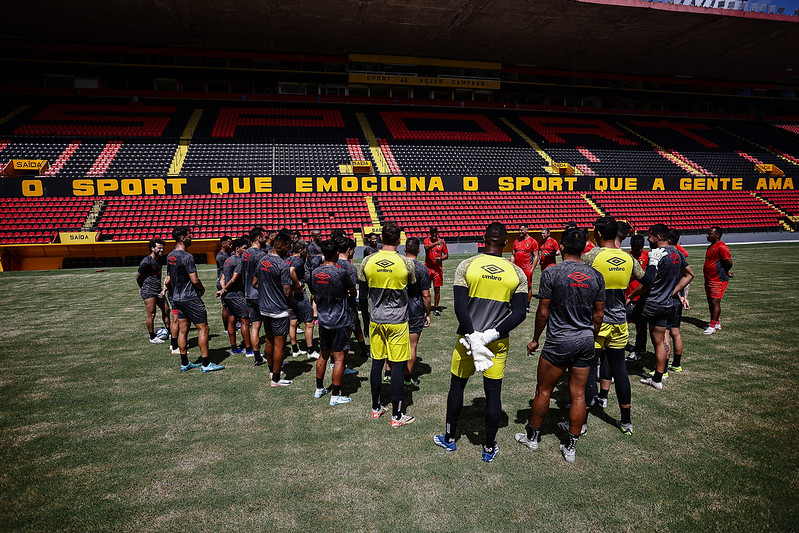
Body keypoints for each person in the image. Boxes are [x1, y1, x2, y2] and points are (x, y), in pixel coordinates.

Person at [433, 222, 528, 462]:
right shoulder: (516, 272)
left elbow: (459, 306)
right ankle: (488, 447)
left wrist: (474, 336)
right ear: (506, 242)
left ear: (483, 239)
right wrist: (488, 336)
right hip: (497, 342)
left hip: (466, 339)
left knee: (457, 386)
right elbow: (519, 314)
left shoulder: (467, 265)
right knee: (493, 393)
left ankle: (449, 438)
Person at [517, 228, 604, 463]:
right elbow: (598, 315)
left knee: (543, 390)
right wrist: (591, 338)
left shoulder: (552, 273)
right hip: (585, 340)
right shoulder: (596, 275)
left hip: (558, 341)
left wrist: (536, 338)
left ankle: (533, 438)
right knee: (578, 396)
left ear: (561, 247)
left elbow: (543, 311)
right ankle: (570, 447)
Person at [581, 217, 647, 436]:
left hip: (596, 322)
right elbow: (647, 280)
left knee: (590, 370)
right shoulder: (628, 259)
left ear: (598, 234)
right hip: (619, 321)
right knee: (620, 371)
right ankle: (626, 421)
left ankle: (582, 421)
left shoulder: (590, 257)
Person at [357, 221, 417, 428]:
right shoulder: (406, 263)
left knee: (377, 362)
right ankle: (397, 415)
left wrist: (366, 320)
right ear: (399, 240)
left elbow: (363, 294)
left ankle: (376, 408)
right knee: (397, 365)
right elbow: (411, 285)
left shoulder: (367, 261)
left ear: (381, 238)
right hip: (398, 320)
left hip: (376, 318)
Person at [628, 224, 694, 390]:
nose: (648, 240)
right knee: (661, 340)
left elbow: (648, 282)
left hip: (651, 303)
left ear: (657, 237)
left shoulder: (657, 254)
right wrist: (673, 291)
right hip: (666, 303)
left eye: (650, 236)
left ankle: (610, 368)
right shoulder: (678, 253)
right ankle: (658, 377)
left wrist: (629, 296)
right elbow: (689, 275)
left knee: (619, 316)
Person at [164, 226, 224, 373]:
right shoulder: (187, 256)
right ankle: (205, 363)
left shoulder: (170, 255)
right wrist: (202, 289)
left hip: (176, 297)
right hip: (190, 297)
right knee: (204, 328)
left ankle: (185, 363)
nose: (191, 238)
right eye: (189, 235)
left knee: (183, 330)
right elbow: (194, 279)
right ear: (182, 238)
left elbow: (168, 280)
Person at [311, 239, 357, 406]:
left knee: (323, 354)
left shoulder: (315, 272)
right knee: (339, 358)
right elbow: (353, 291)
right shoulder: (341, 272)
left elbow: (314, 292)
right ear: (337, 253)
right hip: (339, 319)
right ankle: (336, 394)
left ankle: (319, 389)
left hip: (323, 319)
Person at [254, 230, 294, 387]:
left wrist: (267, 292)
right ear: (279, 246)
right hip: (278, 309)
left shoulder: (262, 260)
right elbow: (287, 291)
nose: (288, 249)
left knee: (269, 340)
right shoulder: (282, 265)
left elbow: (254, 284)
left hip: (264, 307)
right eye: (286, 246)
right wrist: (292, 301)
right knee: (280, 345)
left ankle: (272, 371)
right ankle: (276, 379)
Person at [216, 237, 252, 356]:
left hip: (227, 295)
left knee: (231, 320)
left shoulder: (228, 260)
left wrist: (223, 289)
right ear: (237, 249)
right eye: (245, 248)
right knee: (245, 320)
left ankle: (234, 348)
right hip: (236, 295)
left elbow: (222, 277)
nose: (247, 251)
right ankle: (249, 350)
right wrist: (225, 289)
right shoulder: (239, 261)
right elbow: (233, 278)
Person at [403, 237, 431, 386]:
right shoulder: (421, 268)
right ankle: (407, 378)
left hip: (397, 309)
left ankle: (390, 374)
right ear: (419, 250)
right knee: (412, 346)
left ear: (405, 249)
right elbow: (426, 295)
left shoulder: (398, 264)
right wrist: (428, 314)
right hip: (415, 309)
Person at [241, 226, 269, 366]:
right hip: (259, 294)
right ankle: (272, 355)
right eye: (264, 236)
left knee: (255, 326)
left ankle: (257, 356)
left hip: (248, 294)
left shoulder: (244, 254)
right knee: (270, 326)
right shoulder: (260, 255)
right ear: (258, 237)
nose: (266, 238)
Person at [136, 237, 171, 343]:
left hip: (158, 290)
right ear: (152, 248)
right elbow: (138, 277)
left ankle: (169, 332)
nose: (161, 250)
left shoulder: (160, 259)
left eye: (162, 248)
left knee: (166, 310)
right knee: (151, 314)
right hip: (148, 291)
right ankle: (152, 337)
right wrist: (141, 287)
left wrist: (164, 287)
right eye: (159, 248)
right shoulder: (146, 261)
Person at [287, 241, 318, 359]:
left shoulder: (288, 259)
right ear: (301, 250)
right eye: (305, 249)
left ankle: (295, 349)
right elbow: (291, 271)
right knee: (309, 322)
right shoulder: (298, 260)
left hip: (290, 294)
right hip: (299, 294)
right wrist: (298, 283)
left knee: (293, 321)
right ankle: (310, 350)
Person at [703, 226, 733, 335]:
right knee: (711, 301)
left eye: (710, 234)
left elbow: (728, 262)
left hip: (717, 279)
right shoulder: (711, 246)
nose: (707, 235)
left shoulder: (721, 246)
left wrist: (726, 271)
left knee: (715, 301)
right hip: (710, 278)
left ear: (717, 235)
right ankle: (716, 323)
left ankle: (712, 326)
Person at [625, 234, 649, 361]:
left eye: (639, 248)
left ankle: (640, 348)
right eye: (635, 248)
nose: (637, 251)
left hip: (641, 296)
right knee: (624, 322)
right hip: (628, 295)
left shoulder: (648, 256)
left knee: (641, 325)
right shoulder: (626, 256)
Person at [511, 223, 540, 312]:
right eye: (519, 230)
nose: (520, 232)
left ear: (527, 230)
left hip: (527, 268)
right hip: (517, 268)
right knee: (515, 285)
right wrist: (512, 266)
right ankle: (515, 303)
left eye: (521, 230)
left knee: (528, 286)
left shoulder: (532, 241)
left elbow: (536, 256)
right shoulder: (516, 241)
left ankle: (527, 305)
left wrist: (532, 269)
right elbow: (513, 255)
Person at [424, 226, 449, 316]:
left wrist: (440, 258)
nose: (434, 234)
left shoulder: (442, 242)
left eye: (435, 232)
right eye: (432, 232)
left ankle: (436, 308)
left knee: (437, 289)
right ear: (430, 233)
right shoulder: (427, 240)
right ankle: (426, 306)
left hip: (438, 269)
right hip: (428, 268)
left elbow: (446, 255)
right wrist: (436, 243)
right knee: (425, 289)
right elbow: (426, 247)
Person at [668, 229, 691, 310]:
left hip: (668, 295)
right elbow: (688, 276)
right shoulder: (680, 254)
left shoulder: (666, 254)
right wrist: (684, 297)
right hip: (676, 295)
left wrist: (681, 297)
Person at [215, 235, 233, 332]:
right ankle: (226, 328)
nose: (231, 245)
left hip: (226, 281)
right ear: (223, 244)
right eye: (229, 243)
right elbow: (224, 272)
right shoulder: (221, 256)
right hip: (222, 282)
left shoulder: (227, 254)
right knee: (225, 305)